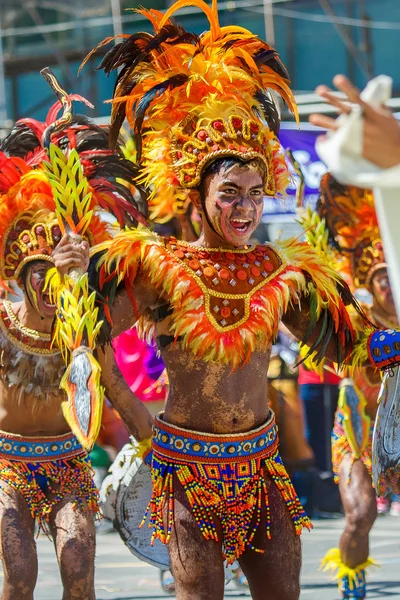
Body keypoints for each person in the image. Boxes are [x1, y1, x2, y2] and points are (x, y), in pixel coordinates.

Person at [87, 3, 374, 599]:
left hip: (263, 469)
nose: (244, 207)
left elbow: (347, 344)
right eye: (229, 194)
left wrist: (383, 345)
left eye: (253, 192)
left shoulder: (280, 271)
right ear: (198, 195)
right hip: (186, 473)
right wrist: (145, 433)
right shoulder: (158, 267)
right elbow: (90, 336)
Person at [0, 104, 153, 600]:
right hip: (6, 465)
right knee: (20, 576)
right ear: (20, 274)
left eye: (59, 275)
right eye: (38, 272)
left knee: (78, 570)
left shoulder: (84, 330)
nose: (50, 285)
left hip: (68, 464)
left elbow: (123, 397)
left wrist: (169, 457)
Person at [310, 174, 398, 599]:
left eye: (392, 275)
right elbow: (343, 348)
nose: (388, 285)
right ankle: (351, 576)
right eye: (380, 278)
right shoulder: (358, 315)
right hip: (357, 436)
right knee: (360, 516)